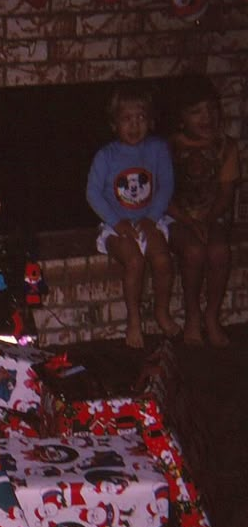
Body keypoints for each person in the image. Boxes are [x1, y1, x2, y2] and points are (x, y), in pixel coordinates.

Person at [86, 84, 179, 348]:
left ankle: (161, 312)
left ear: (150, 121)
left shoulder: (158, 149)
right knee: (135, 262)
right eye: (127, 119)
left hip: (151, 218)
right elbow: (93, 194)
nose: (134, 125)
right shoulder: (106, 156)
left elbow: (166, 185)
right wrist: (117, 223)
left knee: (162, 259)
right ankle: (134, 320)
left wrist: (151, 218)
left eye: (140, 118)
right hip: (116, 223)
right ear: (114, 124)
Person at [167, 76, 240, 347]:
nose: (206, 117)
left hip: (213, 215)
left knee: (219, 251)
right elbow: (161, 194)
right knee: (194, 251)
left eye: (210, 110)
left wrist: (207, 220)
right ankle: (193, 316)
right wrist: (188, 220)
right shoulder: (169, 147)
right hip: (177, 216)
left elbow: (225, 193)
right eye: (196, 112)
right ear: (181, 118)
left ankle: (212, 316)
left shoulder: (226, 147)